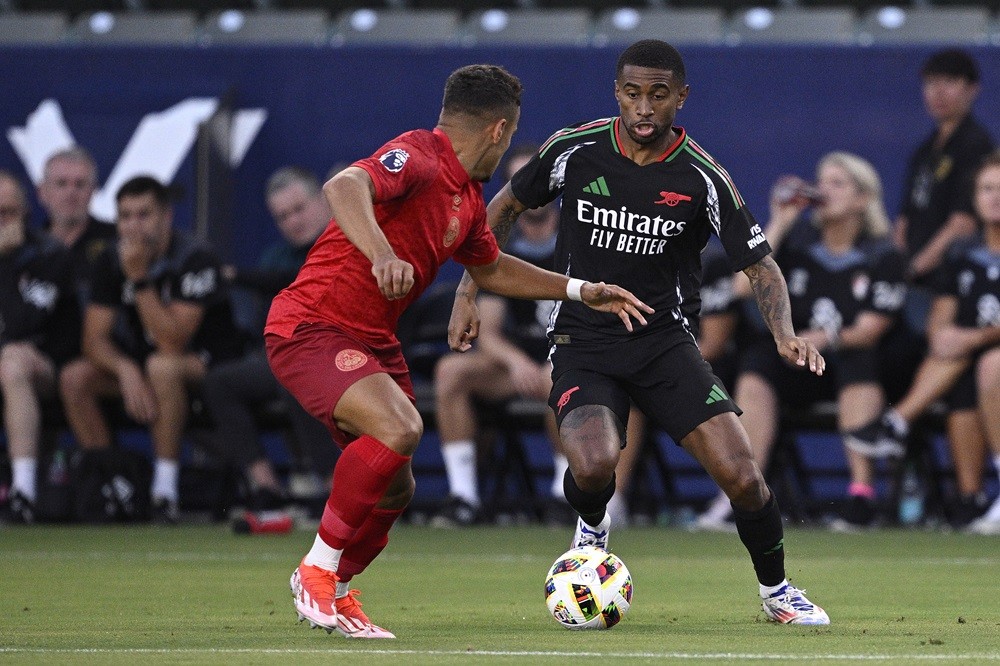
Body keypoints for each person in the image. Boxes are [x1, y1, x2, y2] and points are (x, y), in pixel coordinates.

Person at [264, 64, 650, 639]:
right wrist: (379, 253)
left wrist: (577, 289)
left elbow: (491, 267)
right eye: (511, 133)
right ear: (499, 130)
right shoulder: (419, 155)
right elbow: (343, 187)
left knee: (398, 485)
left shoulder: (467, 200)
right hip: (313, 325)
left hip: (372, 338)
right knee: (401, 429)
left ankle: (339, 591)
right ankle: (316, 571)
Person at [449, 41, 829, 625]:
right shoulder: (572, 151)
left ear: (681, 97)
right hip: (584, 340)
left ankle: (778, 593)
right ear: (617, 94)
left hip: (664, 345)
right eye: (632, 93)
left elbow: (761, 264)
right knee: (594, 466)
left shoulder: (702, 175)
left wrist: (784, 332)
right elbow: (500, 208)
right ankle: (592, 525)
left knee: (743, 476)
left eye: (658, 95)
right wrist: (470, 289)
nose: (644, 108)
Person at [705, 153, 906, 531]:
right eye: (821, 181)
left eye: (837, 183)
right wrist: (780, 222)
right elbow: (740, 288)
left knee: (856, 357)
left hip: (851, 365)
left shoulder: (882, 253)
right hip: (797, 364)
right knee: (758, 362)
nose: (823, 190)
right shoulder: (798, 244)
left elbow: (871, 327)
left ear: (863, 198)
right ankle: (744, 492)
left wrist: (825, 337)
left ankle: (861, 495)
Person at [58, 176, 245, 524]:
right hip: (146, 365)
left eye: (143, 214)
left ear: (166, 217)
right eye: (125, 216)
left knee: (162, 366)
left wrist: (140, 279)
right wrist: (126, 370)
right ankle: (112, 485)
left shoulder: (194, 256)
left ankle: (165, 492)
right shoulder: (111, 259)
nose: (133, 225)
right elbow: (93, 339)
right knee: (75, 377)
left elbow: (172, 341)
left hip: (208, 365)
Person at [852, 152, 1000, 532]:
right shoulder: (962, 251)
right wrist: (943, 336)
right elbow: (942, 314)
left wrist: (975, 337)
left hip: (989, 358)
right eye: (986, 188)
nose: (994, 197)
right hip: (968, 365)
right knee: (961, 371)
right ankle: (971, 501)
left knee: (988, 364)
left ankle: (897, 421)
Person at [430, 144, 573, 527]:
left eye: (538, 180)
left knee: (558, 377)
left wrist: (548, 365)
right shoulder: (501, 246)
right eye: (520, 181)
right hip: (517, 365)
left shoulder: (578, 238)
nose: (532, 191)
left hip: (572, 357)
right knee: (451, 371)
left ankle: (565, 495)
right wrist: (518, 362)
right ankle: (463, 496)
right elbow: (488, 332)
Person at [201, 166, 334, 526]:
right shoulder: (275, 257)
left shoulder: (345, 240)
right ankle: (267, 487)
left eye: (299, 209)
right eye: (282, 216)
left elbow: (304, 281)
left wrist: (236, 276)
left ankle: (335, 492)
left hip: (342, 354)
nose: (293, 221)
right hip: (285, 357)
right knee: (219, 381)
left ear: (323, 199)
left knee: (296, 373)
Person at [0, 171, 79, 523]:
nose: (2, 221)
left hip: (48, 365)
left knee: (12, 360)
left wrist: (2, 260)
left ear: (25, 212)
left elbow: (21, 326)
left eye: (8, 212)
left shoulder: (49, 254)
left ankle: (23, 493)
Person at [36, 146, 116, 302]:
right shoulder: (27, 248)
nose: (70, 193)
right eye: (61, 183)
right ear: (42, 192)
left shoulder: (116, 241)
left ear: (93, 191)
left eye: (79, 184)